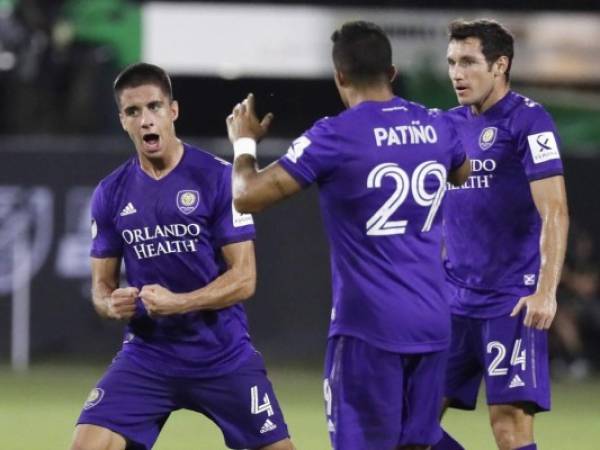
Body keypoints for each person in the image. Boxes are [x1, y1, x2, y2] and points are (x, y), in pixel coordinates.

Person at [226, 21, 471, 450]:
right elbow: (463, 171)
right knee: (417, 444)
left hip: (369, 327)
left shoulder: (335, 135)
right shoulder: (438, 126)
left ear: (340, 76)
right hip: (433, 321)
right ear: (392, 73)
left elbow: (246, 197)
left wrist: (244, 144)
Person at [70, 63, 294, 450]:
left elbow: (245, 278)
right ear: (122, 120)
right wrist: (111, 302)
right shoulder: (110, 193)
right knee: (87, 446)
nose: (145, 121)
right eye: (133, 112)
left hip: (222, 355)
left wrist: (179, 303)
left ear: (173, 111)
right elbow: (100, 287)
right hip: (147, 356)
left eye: (154, 107)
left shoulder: (218, 178)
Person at [433, 19, 569, 450]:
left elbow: (555, 210)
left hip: (510, 301)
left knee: (508, 428)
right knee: (409, 426)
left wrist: (545, 290)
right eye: (452, 61)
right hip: (453, 300)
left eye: (469, 62)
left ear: (500, 65)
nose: (457, 73)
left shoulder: (529, 120)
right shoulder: (447, 125)